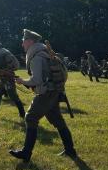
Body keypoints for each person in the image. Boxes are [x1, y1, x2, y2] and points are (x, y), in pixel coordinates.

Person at [11, 29, 77, 162]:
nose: (22, 44)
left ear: (30, 41)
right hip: (54, 91)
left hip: (45, 93)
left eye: (23, 41)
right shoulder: (45, 53)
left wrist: (22, 81)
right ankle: (70, 150)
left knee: (30, 118)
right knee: (58, 120)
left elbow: (37, 80)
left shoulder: (36, 57)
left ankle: (26, 153)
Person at [0, 42, 25, 119]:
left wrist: (5, 71)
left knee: (13, 97)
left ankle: (23, 113)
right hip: (2, 79)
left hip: (8, 79)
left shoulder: (3, 53)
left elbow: (14, 65)